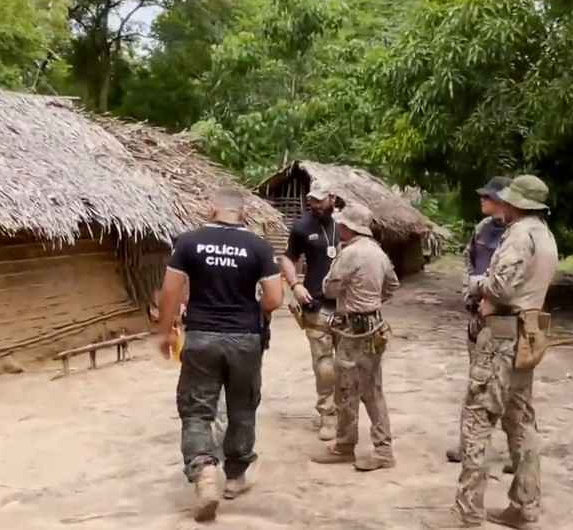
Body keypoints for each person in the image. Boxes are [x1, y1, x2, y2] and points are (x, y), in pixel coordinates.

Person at [430, 174, 558, 529]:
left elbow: (500, 286)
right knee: (521, 422)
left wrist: (476, 285)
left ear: (517, 203)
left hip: (502, 334)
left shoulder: (518, 235)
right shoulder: (545, 235)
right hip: (528, 333)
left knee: (477, 422)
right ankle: (525, 506)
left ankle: (468, 511)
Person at [156, 187, 284, 522]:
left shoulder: (188, 242)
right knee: (242, 406)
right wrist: (248, 310)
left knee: (197, 409)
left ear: (213, 209)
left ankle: (204, 475)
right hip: (245, 339)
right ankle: (236, 478)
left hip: (201, 337)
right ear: (241, 212)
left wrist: (166, 332)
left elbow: (170, 291)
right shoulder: (259, 246)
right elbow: (274, 299)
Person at [309, 203, 400, 472]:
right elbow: (392, 285)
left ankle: (346, 444)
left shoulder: (350, 254)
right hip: (374, 324)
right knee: (373, 389)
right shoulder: (378, 253)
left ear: (348, 227)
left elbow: (329, 288)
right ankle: (382, 447)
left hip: (353, 328)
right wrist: (372, 301)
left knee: (347, 387)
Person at [447, 175, 512, 465]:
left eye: (488, 196)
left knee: (510, 387)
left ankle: (516, 454)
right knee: (477, 382)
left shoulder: (518, 234)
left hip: (505, 317)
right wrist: (468, 293)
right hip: (479, 316)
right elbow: (469, 260)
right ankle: (468, 445)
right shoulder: (483, 229)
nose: (482, 200)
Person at [279, 180, 341, 440]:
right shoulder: (302, 226)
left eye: (319, 200)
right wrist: (294, 285)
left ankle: (347, 414)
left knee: (349, 364)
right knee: (324, 365)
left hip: (348, 307)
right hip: (316, 304)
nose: (314, 204)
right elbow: (286, 258)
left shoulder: (346, 225)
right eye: (312, 200)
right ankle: (328, 415)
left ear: (333, 199)